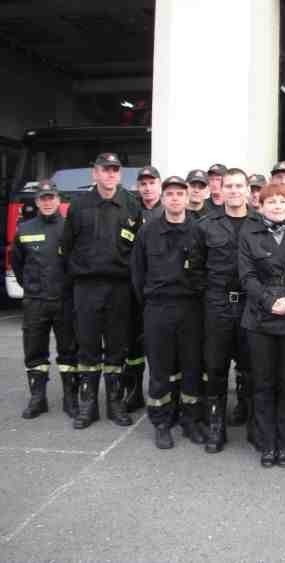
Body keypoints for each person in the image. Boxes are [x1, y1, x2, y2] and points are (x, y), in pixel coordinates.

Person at [60, 152, 142, 429]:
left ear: (119, 174)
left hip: (119, 288)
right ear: (94, 173)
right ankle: (88, 404)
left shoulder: (131, 205)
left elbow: (137, 251)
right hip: (87, 287)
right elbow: (67, 247)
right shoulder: (79, 205)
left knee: (118, 348)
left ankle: (116, 403)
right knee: (88, 346)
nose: (110, 174)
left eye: (114, 170)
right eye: (105, 170)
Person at [131, 176, 206, 449]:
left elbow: (204, 271)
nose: (175, 198)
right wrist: (151, 303)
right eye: (170, 194)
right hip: (158, 308)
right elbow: (137, 274)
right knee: (160, 370)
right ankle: (161, 422)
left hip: (190, 308)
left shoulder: (199, 232)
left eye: (179, 194)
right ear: (162, 199)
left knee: (191, 367)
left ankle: (191, 420)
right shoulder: (147, 232)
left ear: (188, 199)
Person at [239, 182, 285, 467]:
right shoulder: (249, 233)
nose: (277, 206)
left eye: (282, 201)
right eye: (271, 202)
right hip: (260, 317)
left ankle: (284, 443)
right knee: (263, 383)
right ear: (261, 206)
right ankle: (267, 444)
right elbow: (247, 276)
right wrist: (270, 302)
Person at [190, 167, 252, 453]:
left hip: (252, 306)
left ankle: (253, 421)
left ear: (248, 190)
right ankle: (216, 425)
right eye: (229, 186)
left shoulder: (259, 222)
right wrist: (211, 297)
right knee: (215, 368)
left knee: (252, 367)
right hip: (218, 305)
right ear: (221, 190)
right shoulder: (205, 225)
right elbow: (195, 267)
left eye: (240, 186)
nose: (235, 191)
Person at [11, 180, 78, 419]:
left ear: (59, 200)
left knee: (69, 352)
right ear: (37, 202)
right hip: (36, 301)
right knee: (35, 352)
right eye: (43, 198)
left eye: (51, 197)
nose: (47, 202)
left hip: (65, 300)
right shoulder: (24, 229)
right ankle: (38, 398)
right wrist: (31, 287)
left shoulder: (70, 228)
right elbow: (18, 264)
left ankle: (71, 398)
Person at [122, 165, 164, 414]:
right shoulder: (130, 212)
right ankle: (134, 391)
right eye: (143, 184)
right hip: (132, 291)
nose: (147, 188)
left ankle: (164, 395)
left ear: (159, 185)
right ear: (138, 187)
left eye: (152, 183)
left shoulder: (167, 211)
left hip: (158, 292)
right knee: (132, 346)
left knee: (160, 347)